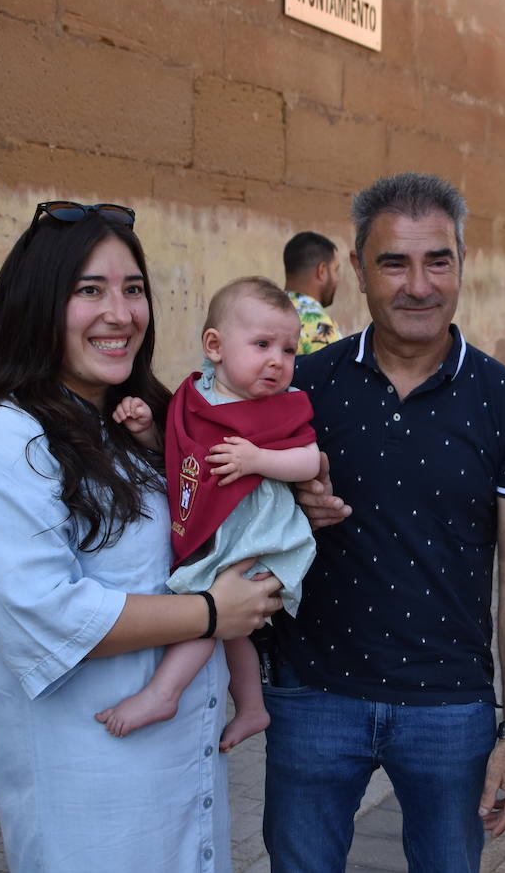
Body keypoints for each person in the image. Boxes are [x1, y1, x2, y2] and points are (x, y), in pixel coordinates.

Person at [0, 201, 284, 871]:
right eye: (88, 290)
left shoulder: (136, 422)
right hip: (91, 784)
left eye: (133, 289)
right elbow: (41, 612)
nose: (120, 314)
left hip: (181, 769)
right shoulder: (6, 436)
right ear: (38, 304)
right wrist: (213, 612)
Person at [257, 173, 505, 873]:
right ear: (357, 270)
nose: (418, 285)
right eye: (394, 262)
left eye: (437, 261)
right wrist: (284, 506)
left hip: (449, 710)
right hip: (313, 697)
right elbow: (225, 502)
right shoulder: (304, 388)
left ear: (461, 264)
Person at [95, 277, 320, 752]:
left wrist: (259, 460)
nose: (278, 361)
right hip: (220, 529)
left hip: (262, 534)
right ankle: (254, 707)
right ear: (215, 346)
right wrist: (145, 432)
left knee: (209, 605)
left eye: (288, 349)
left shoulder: (282, 409)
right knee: (231, 623)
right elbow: (179, 455)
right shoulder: (195, 399)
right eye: (262, 345)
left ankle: (164, 692)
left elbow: (308, 461)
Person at [283, 230, 343, 354]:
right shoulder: (321, 329)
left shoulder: (264, 314)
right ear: (321, 271)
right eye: (335, 270)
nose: (337, 279)